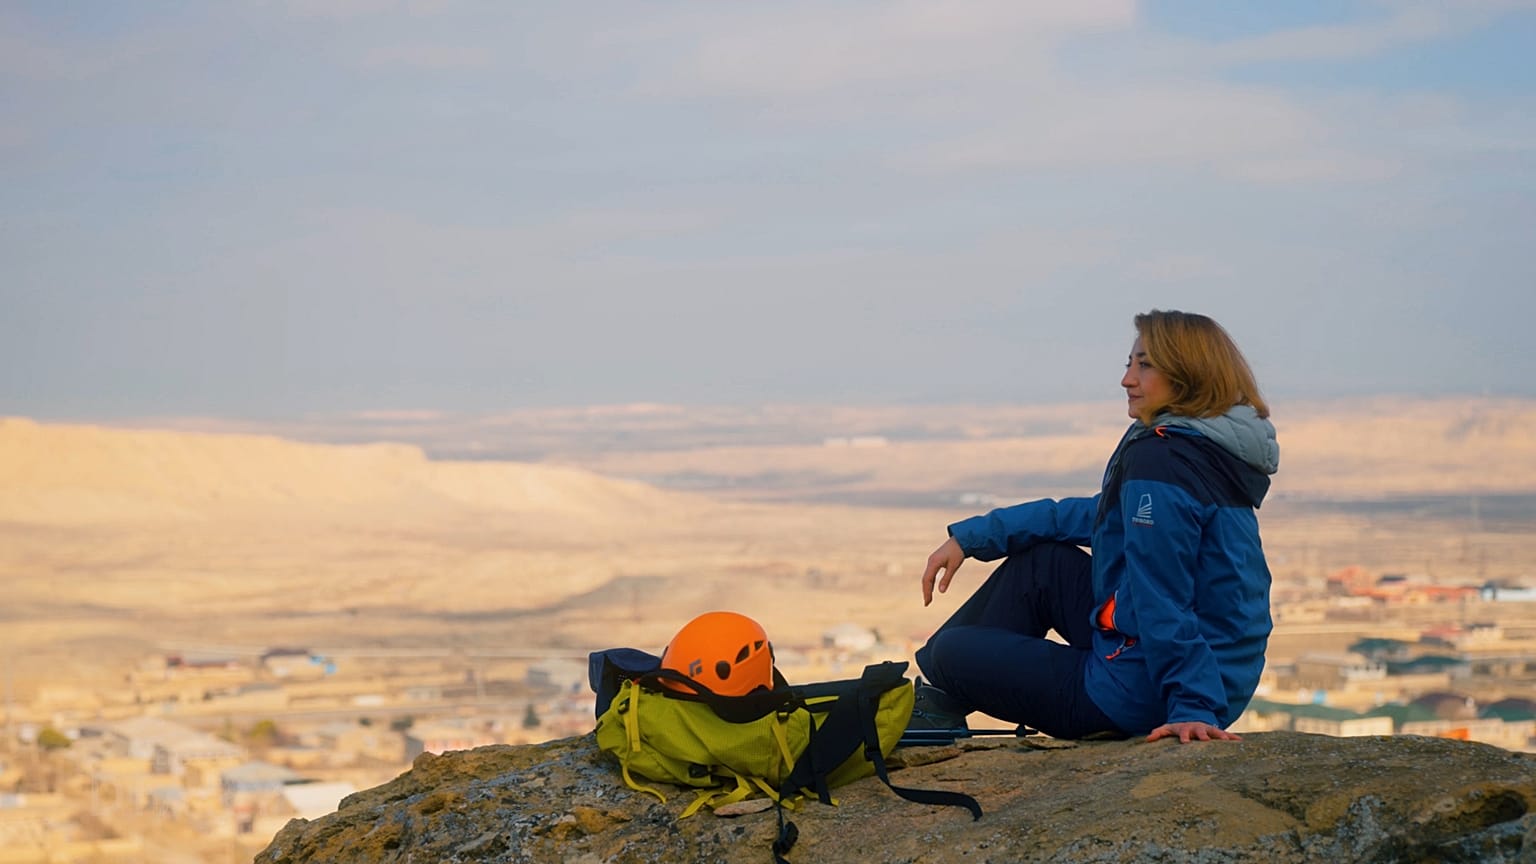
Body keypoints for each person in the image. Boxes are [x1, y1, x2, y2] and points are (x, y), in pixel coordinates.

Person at [912, 309, 1279, 745]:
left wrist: (1192, 708)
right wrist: (973, 537)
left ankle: (938, 707)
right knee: (1043, 564)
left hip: (1144, 693)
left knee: (949, 653)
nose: (1128, 379)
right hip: (1208, 673)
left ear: (1187, 375)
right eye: (1130, 364)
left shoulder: (1162, 461)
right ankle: (940, 705)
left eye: (1145, 365)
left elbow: (1162, 596)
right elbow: (1101, 517)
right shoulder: (1199, 442)